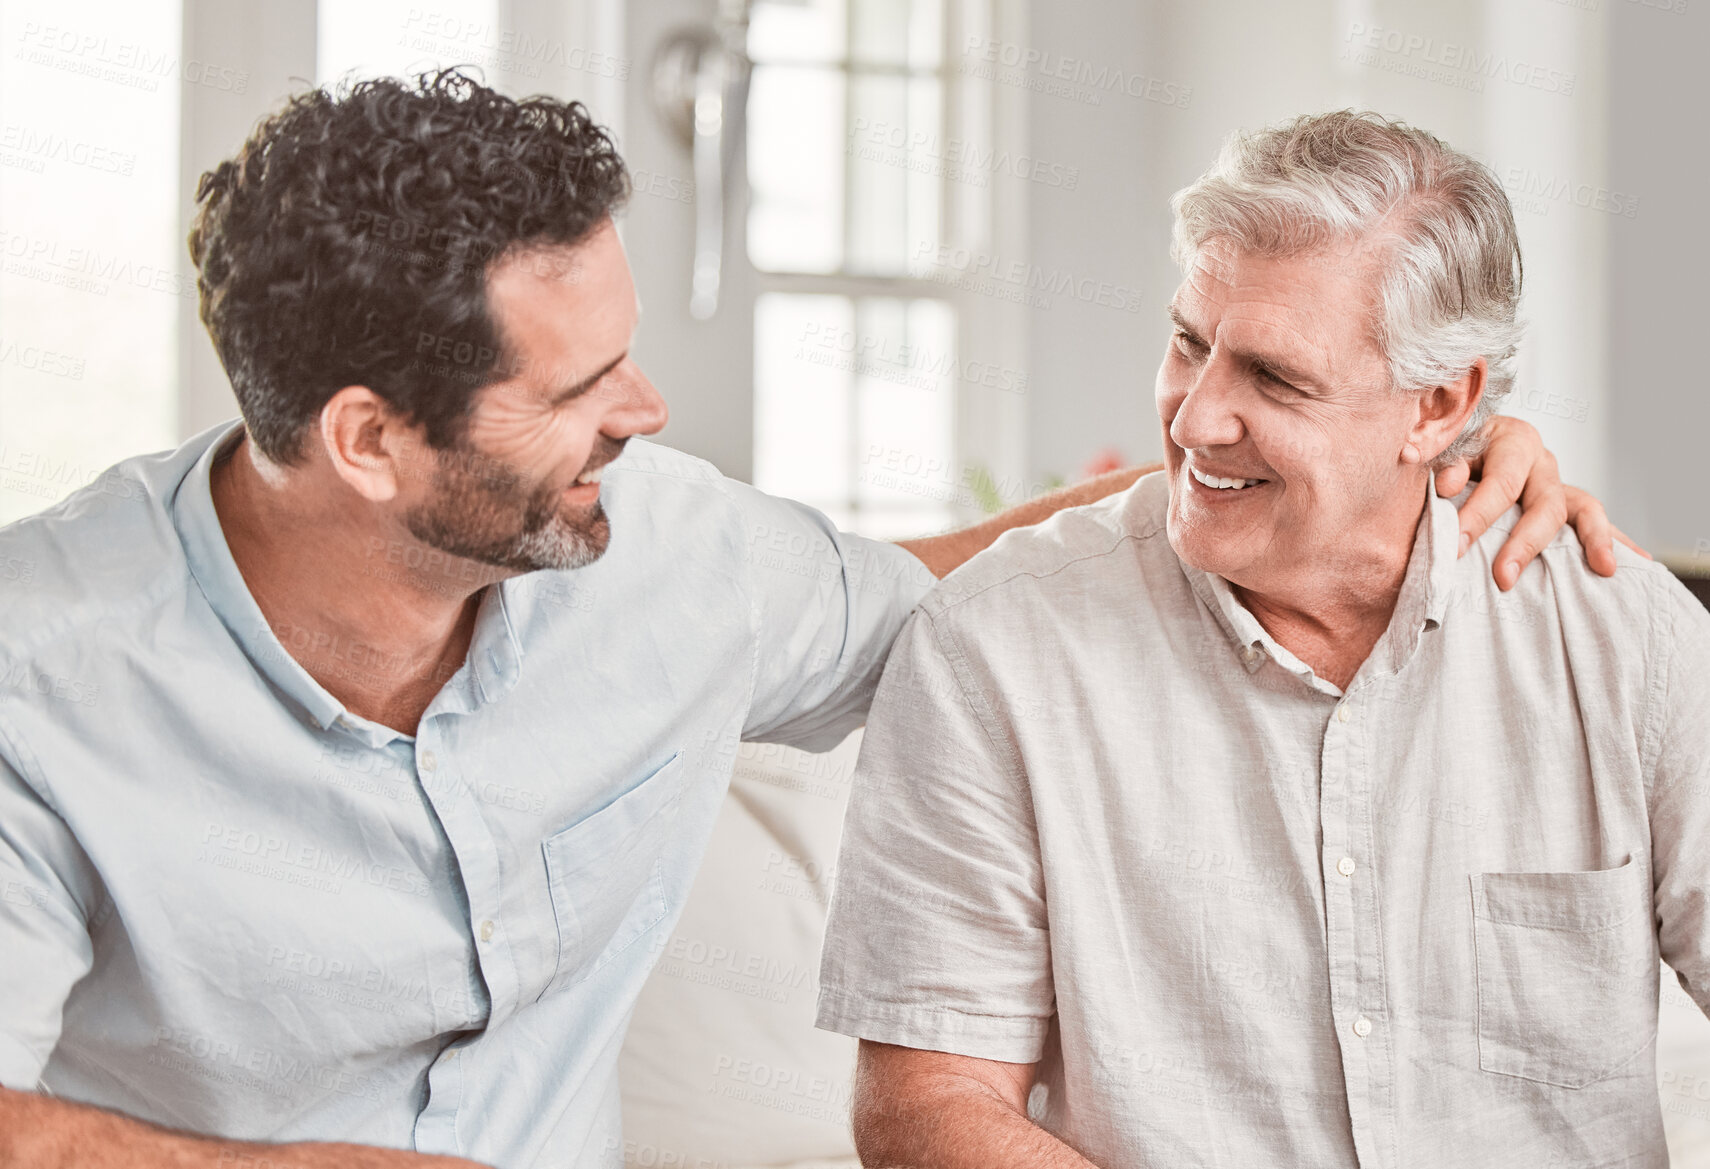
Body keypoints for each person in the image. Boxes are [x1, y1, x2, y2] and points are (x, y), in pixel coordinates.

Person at [0, 74, 1610, 1168]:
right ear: (367, 441)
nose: (649, 405)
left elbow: (977, 599)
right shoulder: (40, 671)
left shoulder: (673, 556)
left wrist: (1416, 469)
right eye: (577, 389)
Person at [816, 109, 1706, 1168]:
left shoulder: (1621, 637)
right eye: (1190, 341)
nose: (1194, 419)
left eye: (1275, 378)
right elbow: (926, 1109)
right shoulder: (995, 649)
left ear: (1439, 403)